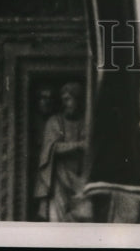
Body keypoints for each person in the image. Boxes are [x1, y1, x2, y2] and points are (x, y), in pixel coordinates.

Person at [33, 82, 93, 222]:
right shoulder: (54, 122)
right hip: (59, 180)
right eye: (63, 100)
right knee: (57, 221)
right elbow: (52, 148)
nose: (65, 103)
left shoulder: (85, 122)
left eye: (68, 99)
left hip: (80, 179)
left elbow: (90, 147)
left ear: (77, 100)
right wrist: (78, 145)